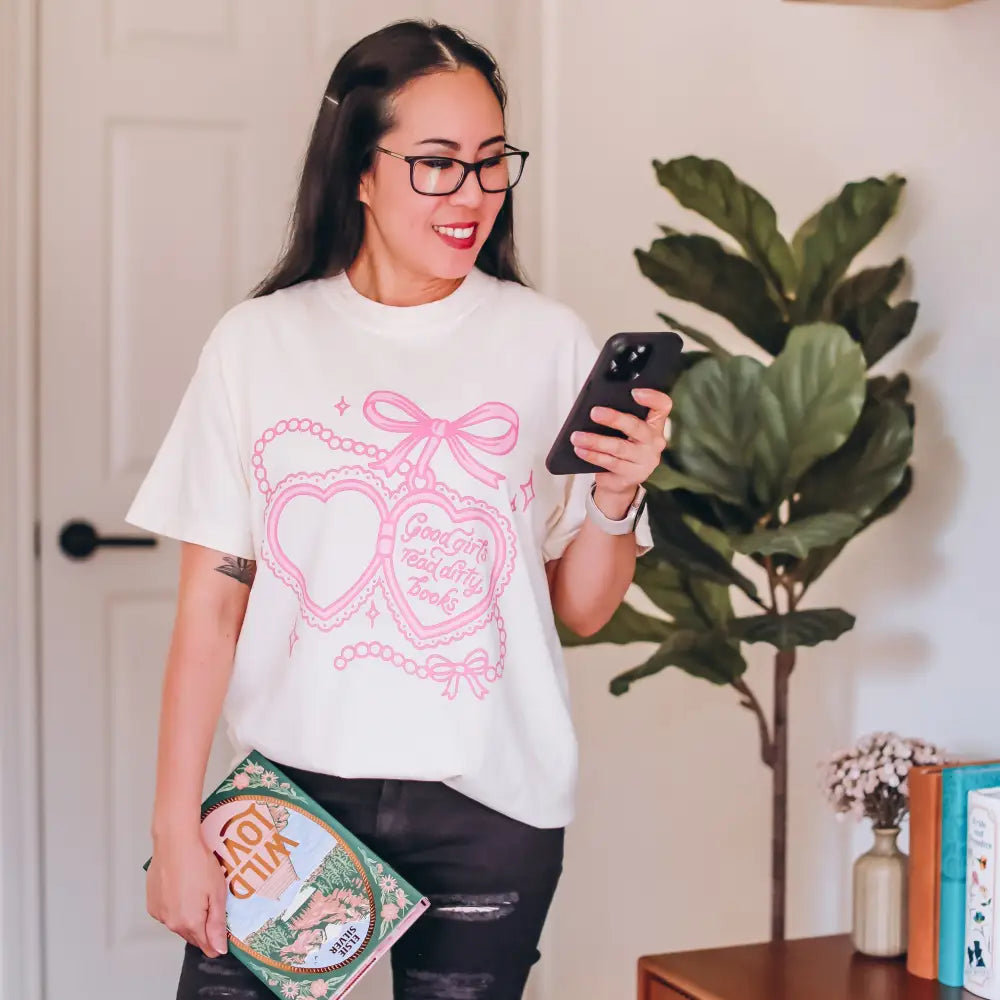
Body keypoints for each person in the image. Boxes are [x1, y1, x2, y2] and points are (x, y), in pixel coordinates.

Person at [126, 18, 671, 1000]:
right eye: (436, 163)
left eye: (491, 161)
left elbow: (581, 609)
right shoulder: (257, 344)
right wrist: (175, 824)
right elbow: (213, 605)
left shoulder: (546, 341)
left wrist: (616, 496)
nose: (472, 194)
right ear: (359, 172)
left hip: (491, 804)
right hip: (290, 800)